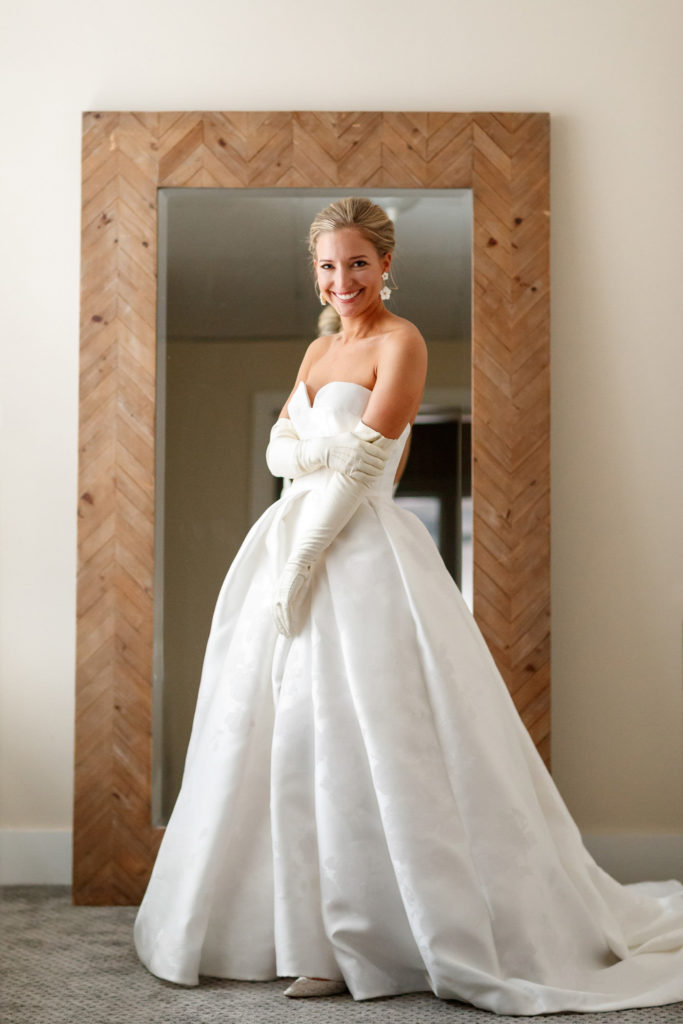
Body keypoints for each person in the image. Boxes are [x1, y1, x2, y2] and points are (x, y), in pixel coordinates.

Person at [134, 197, 683, 1015]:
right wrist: (309, 483)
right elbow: (276, 448)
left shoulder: (403, 341)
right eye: (327, 265)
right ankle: (296, 933)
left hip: (358, 554)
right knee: (289, 730)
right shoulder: (319, 350)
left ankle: (371, 934)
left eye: (357, 262)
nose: (341, 278)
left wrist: (304, 561)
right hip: (287, 542)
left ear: (386, 264)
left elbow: (364, 468)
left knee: (376, 734)